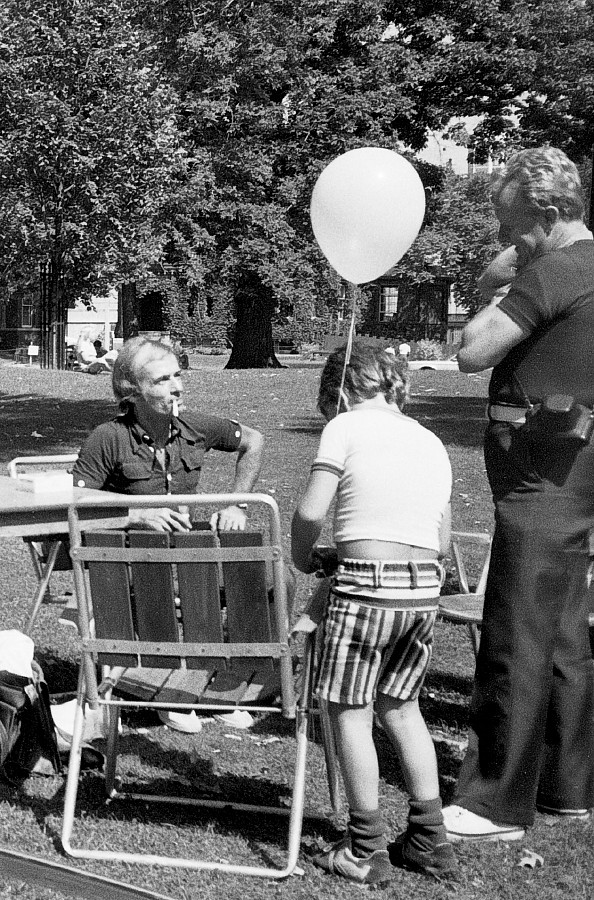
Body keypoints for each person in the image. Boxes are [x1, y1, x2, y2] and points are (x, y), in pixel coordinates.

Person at [443, 145, 594, 843]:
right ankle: (566, 786)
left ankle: (494, 802)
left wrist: (500, 277)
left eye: (514, 228)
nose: (509, 243)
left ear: (552, 212)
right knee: (563, 632)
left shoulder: (558, 269)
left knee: (516, 632)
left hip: (541, 478)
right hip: (575, 466)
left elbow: (473, 350)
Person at [291, 341, 455, 884]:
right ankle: (429, 838)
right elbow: (441, 535)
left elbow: (312, 509)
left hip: (366, 591)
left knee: (348, 711)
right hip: (422, 590)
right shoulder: (431, 440)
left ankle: (364, 847)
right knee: (403, 708)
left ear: (338, 389)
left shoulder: (345, 427)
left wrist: (301, 555)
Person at [72, 335, 264, 533]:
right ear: (133, 391)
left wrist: (237, 505)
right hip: (126, 556)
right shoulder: (109, 437)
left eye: (177, 375)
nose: (178, 388)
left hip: (183, 553)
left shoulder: (194, 426)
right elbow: (74, 500)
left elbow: (253, 441)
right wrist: (133, 516)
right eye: (162, 380)